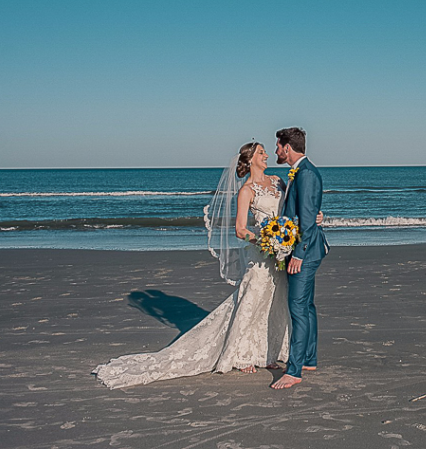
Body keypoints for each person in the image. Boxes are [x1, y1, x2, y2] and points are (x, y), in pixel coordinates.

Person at [93, 142, 292, 389]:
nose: (266, 155)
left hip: (280, 252)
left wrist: (292, 233)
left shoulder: (277, 181)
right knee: (251, 298)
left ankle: (269, 352)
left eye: (265, 152)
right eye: (261, 152)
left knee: (274, 299)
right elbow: (240, 230)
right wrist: (264, 239)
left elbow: (291, 212)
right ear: (250, 159)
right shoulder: (246, 190)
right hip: (261, 252)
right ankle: (242, 354)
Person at [271, 127, 329, 390]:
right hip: (309, 248)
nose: (276, 151)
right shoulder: (302, 172)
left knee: (297, 308)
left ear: (288, 147)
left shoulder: (305, 173)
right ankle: (309, 359)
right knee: (307, 306)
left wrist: (298, 255)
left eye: (278, 146)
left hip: (305, 252)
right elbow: (309, 211)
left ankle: (294, 371)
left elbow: (306, 218)